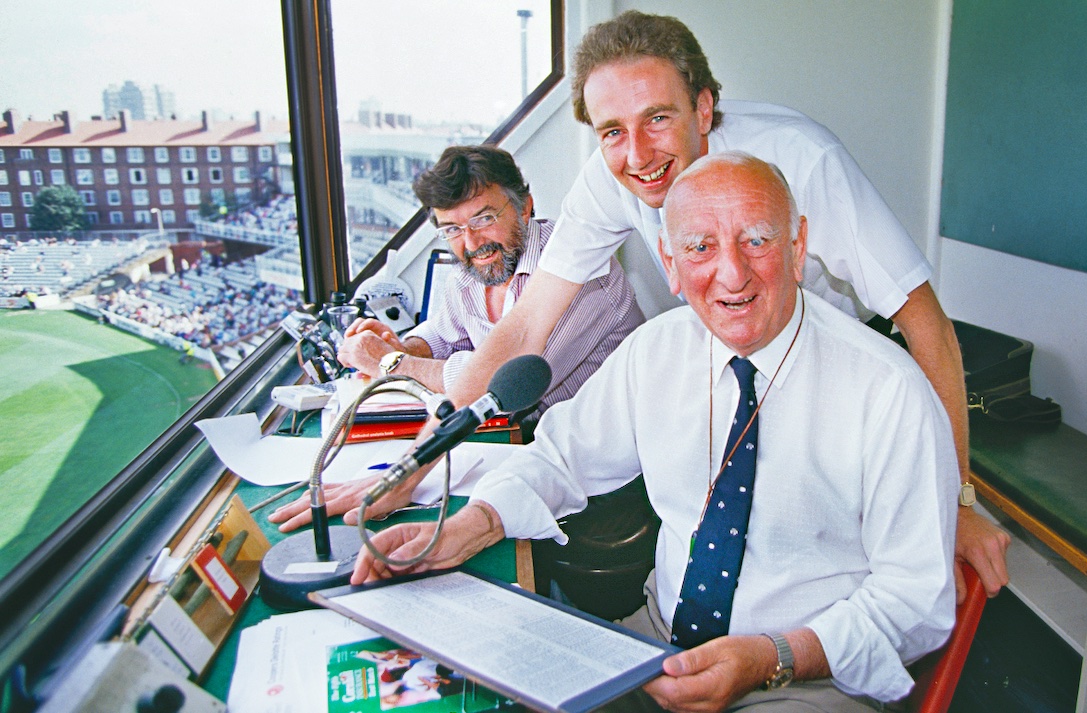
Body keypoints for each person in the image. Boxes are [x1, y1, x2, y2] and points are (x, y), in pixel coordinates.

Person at [438, 10, 1009, 602]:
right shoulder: (615, 173)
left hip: (824, 365)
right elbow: (528, 321)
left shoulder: (802, 159)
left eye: (658, 118)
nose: (636, 154)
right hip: (723, 353)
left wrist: (958, 500)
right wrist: (433, 446)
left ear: (703, 109)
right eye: (612, 131)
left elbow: (926, 324)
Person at [354, 153, 957, 711]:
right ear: (669, 263)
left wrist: (773, 657)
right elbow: (561, 458)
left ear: (797, 247)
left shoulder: (889, 390)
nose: (731, 274)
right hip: (657, 640)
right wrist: (466, 527)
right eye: (699, 247)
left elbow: (917, 602)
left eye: (757, 239)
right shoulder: (656, 353)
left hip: (803, 673)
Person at [268, 145, 644, 532]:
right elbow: (442, 333)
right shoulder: (474, 267)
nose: (470, 242)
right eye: (452, 230)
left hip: (599, 474)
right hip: (521, 442)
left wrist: (389, 363)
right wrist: (403, 346)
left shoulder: (582, 275)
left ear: (525, 207)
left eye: (483, 218)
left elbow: (503, 385)